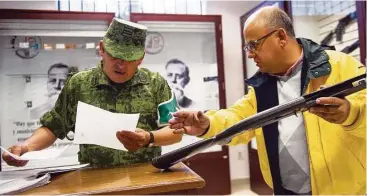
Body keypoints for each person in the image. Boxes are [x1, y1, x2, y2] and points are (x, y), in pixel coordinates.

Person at [169, 6, 366, 195]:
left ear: (280, 37)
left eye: (253, 45)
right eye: (247, 47)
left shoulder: (339, 65)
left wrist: (351, 113)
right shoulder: (262, 87)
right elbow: (238, 118)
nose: (249, 53)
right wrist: (207, 125)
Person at [2, 18, 182, 168]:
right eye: (114, 55)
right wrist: (26, 147)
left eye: (129, 58)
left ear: (141, 58)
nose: (121, 64)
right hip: (94, 181)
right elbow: (54, 126)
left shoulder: (156, 84)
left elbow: (176, 131)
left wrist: (149, 138)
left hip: (144, 178)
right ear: (102, 49)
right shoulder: (79, 84)